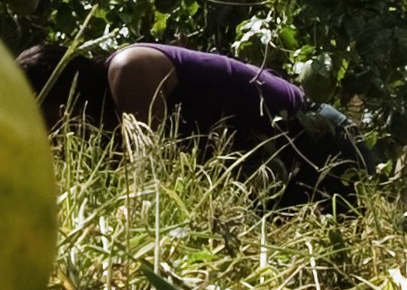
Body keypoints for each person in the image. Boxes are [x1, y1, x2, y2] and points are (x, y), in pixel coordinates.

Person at [18, 38, 366, 202]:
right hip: (278, 172)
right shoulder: (106, 124)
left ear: (67, 93)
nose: (54, 137)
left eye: (48, 120)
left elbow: (149, 177)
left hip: (316, 142)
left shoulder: (129, 69)